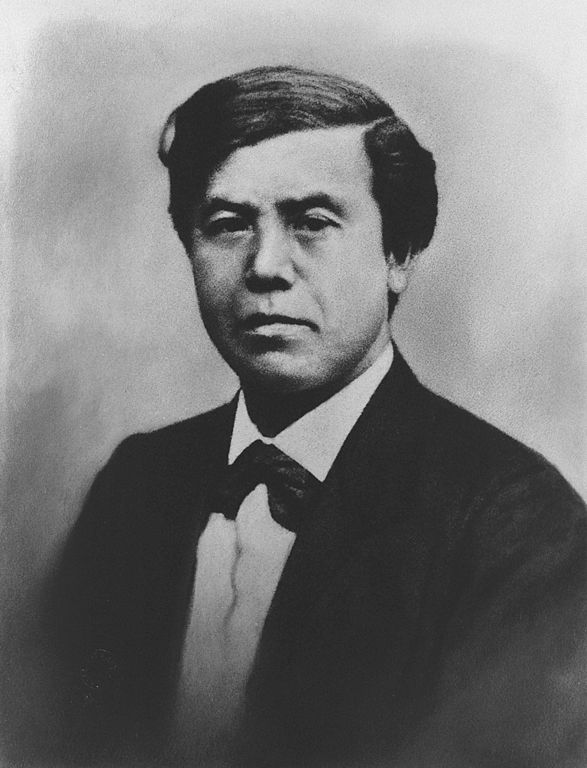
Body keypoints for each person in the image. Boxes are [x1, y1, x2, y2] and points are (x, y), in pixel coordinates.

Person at [45, 66, 587, 768]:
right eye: (228, 225)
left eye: (312, 223)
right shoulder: (137, 483)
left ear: (397, 254)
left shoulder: (518, 523)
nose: (266, 266)